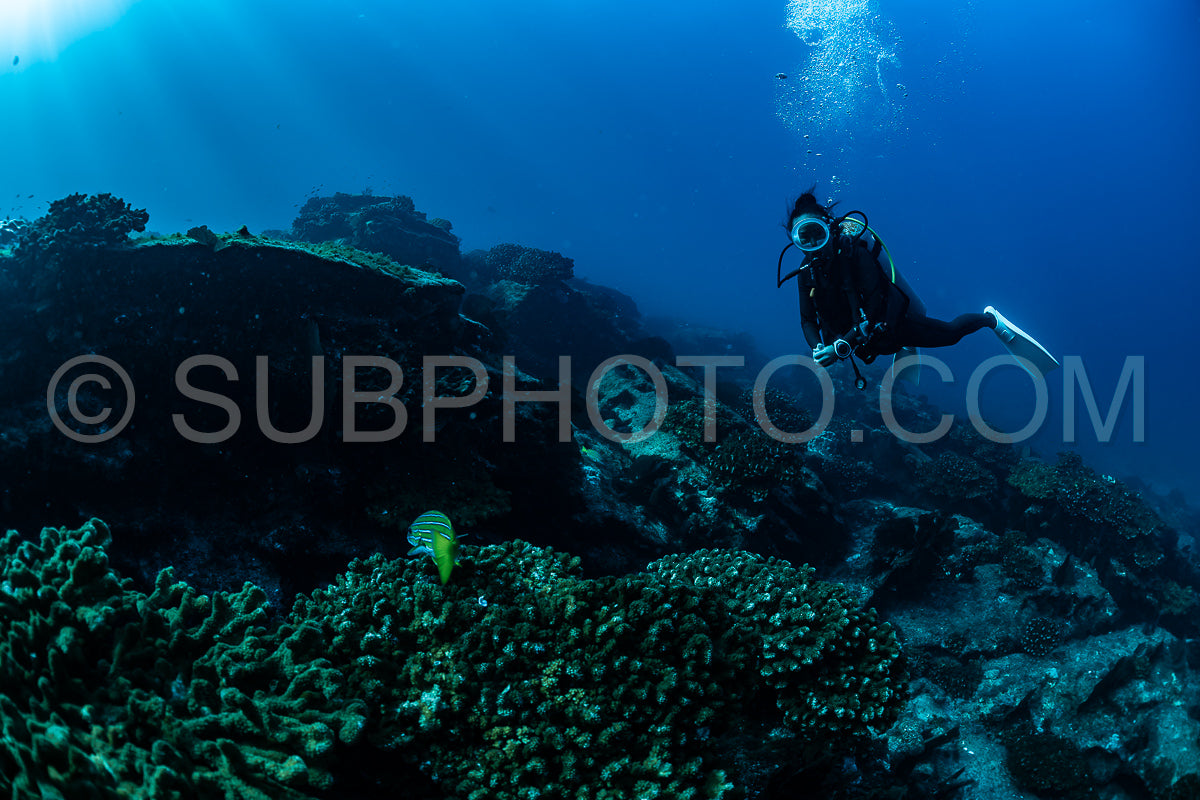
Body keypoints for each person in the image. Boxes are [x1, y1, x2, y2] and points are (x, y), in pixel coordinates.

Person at [777, 188, 1058, 388]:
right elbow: (806, 319)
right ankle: (900, 346)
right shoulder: (806, 272)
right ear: (795, 241)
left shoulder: (856, 255)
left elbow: (874, 309)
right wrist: (818, 349)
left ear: (828, 227)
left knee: (950, 334)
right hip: (860, 340)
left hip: (890, 324)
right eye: (804, 238)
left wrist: (843, 344)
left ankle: (991, 319)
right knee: (873, 346)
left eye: (818, 233)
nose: (814, 245)